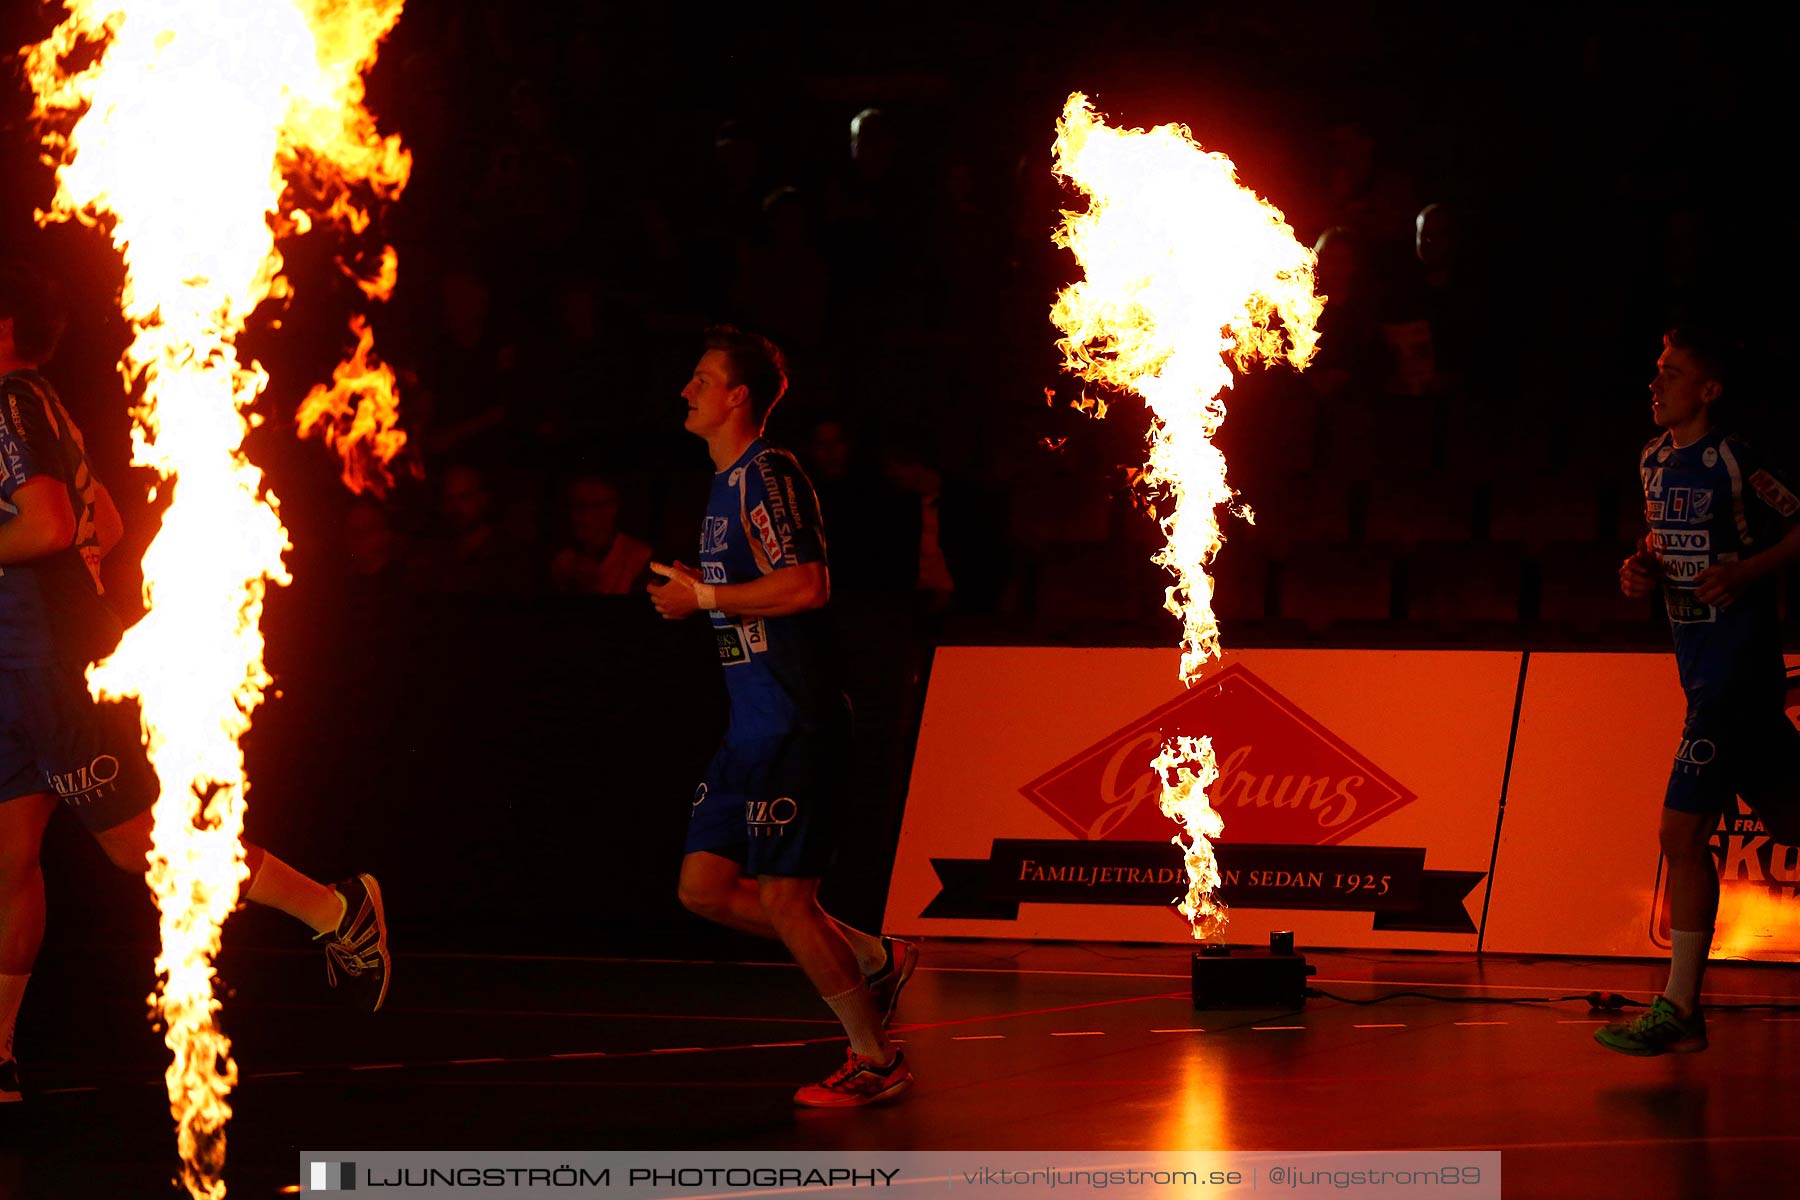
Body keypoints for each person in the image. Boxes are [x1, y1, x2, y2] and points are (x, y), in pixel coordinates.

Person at [0, 261, 390, 1105]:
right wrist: (86, 578)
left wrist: (72, 602)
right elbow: (98, 515)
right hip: (21, 667)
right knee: (7, 856)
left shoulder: (12, 399)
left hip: (50, 672)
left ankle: (334, 910)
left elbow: (52, 521)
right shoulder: (40, 404)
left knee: (139, 843)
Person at [649, 326, 916, 1107]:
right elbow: (755, 593)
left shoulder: (769, 472)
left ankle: (876, 1059)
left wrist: (705, 597)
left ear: (739, 396)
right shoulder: (722, 485)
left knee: (784, 899)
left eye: (701, 379)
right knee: (702, 889)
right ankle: (873, 958)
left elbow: (806, 586)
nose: (687, 391)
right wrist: (704, 588)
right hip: (750, 727)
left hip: (796, 721)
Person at [1601, 326, 1800, 1056]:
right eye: (1656, 371)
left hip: (1735, 676)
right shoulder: (1654, 460)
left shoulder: (1737, 460)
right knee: (1793, 821)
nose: (1655, 385)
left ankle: (1681, 1008)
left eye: (1671, 373)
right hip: (1698, 669)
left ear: (1708, 390)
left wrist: (1749, 573)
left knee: (1680, 835)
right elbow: (1660, 544)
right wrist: (1639, 568)